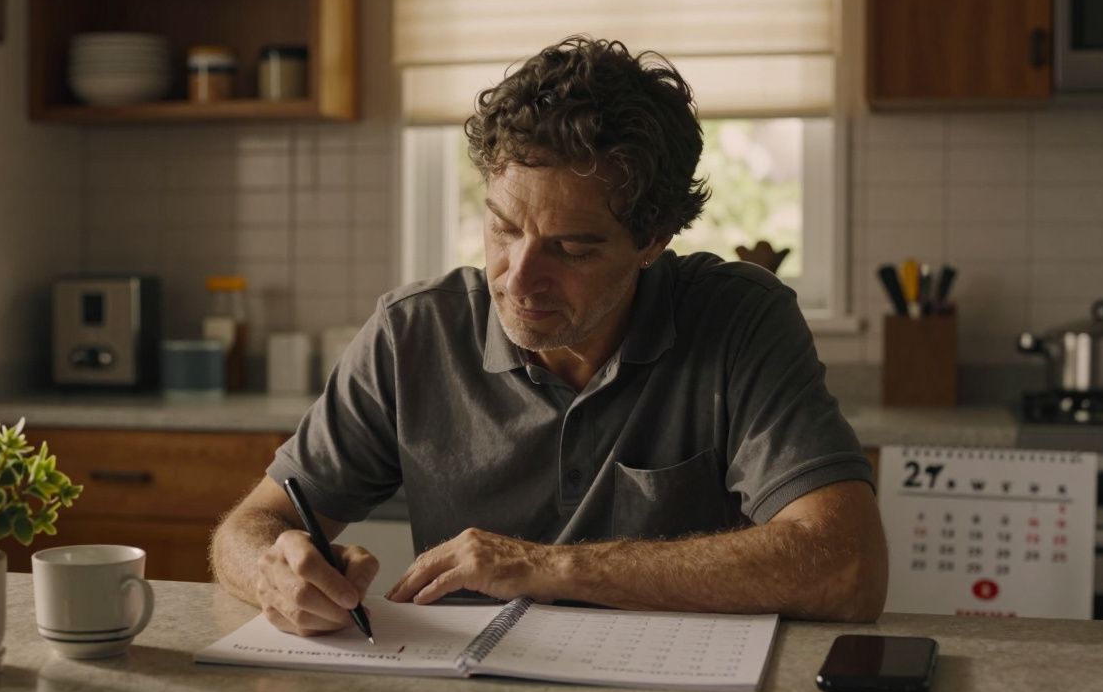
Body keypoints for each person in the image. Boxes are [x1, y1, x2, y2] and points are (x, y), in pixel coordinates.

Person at [211, 36, 887, 637]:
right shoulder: (412, 332)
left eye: (570, 248)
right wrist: (278, 571)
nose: (519, 279)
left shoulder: (740, 318)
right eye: (504, 228)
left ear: (652, 241)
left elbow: (847, 565)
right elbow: (249, 529)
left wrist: (547, 567)